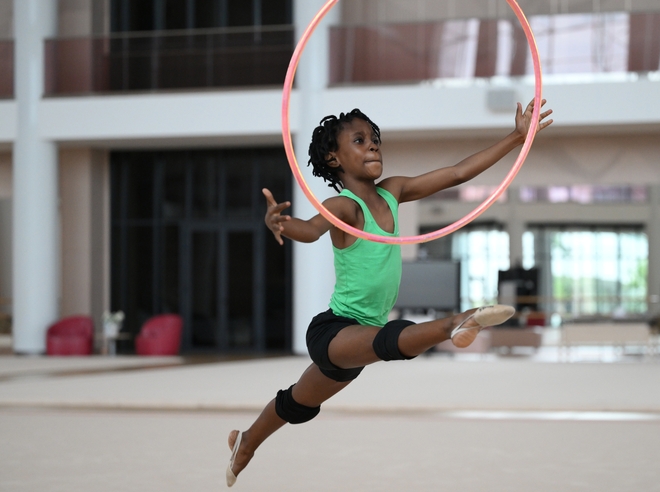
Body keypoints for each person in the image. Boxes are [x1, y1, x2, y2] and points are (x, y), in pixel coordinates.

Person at [226, 98, 553, 486]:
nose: (374, 146)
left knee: (298, 401)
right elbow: (311, 230)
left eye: (375, 139)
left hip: (361, 339)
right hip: (335, 331)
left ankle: (245, 442)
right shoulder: (343, 207)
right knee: (389, 341)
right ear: (334, 158)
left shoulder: (392, 192)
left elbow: (457, 173)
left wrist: (516, 137)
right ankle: (456, 322)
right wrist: (279, 223)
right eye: (360, 140)